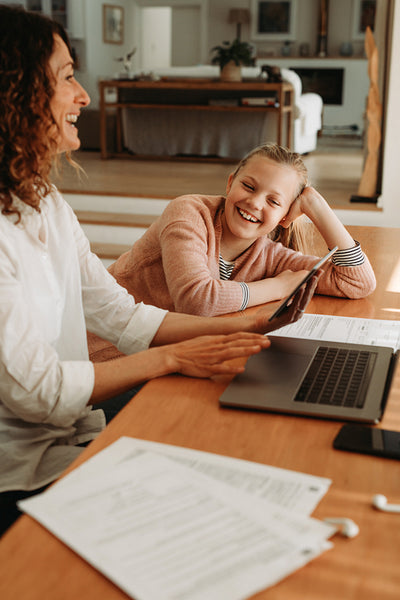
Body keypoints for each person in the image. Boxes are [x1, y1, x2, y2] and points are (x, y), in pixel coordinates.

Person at [0, 6, 318, 536]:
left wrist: (244, 326)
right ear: (15, 94)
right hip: (20, 472)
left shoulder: (45, 202)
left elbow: (121, 314)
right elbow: (41, 391)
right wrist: (174, 357)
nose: (84, 95)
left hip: (74, 431)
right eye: (66, 77)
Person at [88, 143, 376, 360]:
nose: (254, 202)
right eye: (248, 186)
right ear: (230, 183)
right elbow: (197, 301)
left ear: (286, 216)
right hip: (106, 358)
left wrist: (315, 205)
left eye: (274, 201)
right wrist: (278, 287)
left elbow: (357, 282)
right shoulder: (188, 213)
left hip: (165, 357)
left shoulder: (269, 254)